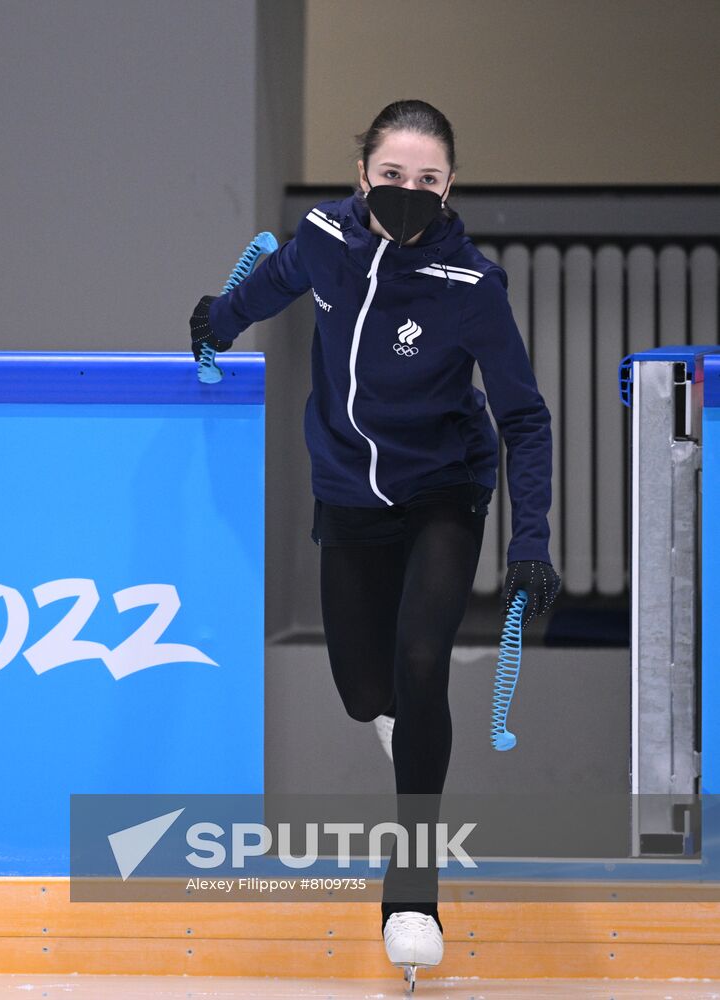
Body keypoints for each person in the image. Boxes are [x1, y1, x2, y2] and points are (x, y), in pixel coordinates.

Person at [188, 99, 562, 981]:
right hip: (350, 492)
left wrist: (531, 540)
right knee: (365, 692)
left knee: (421, 661)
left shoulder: (471, 286)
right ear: (362, 175)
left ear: (450, 187)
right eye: (392, 174)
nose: (408, 190)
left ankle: (413, 895)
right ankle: (403, 725)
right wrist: (221, 319)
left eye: (427, 179)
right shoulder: (325, 236)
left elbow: (524, 417)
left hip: (444, 491)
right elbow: (274, 281)